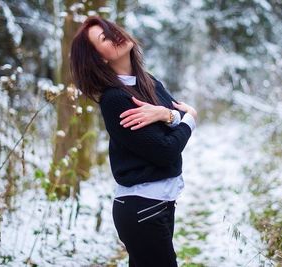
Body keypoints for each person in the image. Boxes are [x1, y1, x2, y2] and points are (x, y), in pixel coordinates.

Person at [69, 16, 197, 267]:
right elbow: (166, 150)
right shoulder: (115, 100)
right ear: (99, 58)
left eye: (111, 29)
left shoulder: (148, 81)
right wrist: (190, 119)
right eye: (103, 38)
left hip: (161, 203)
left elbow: (177, 115)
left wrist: (165, 114)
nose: (115, 34)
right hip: (141, 209)